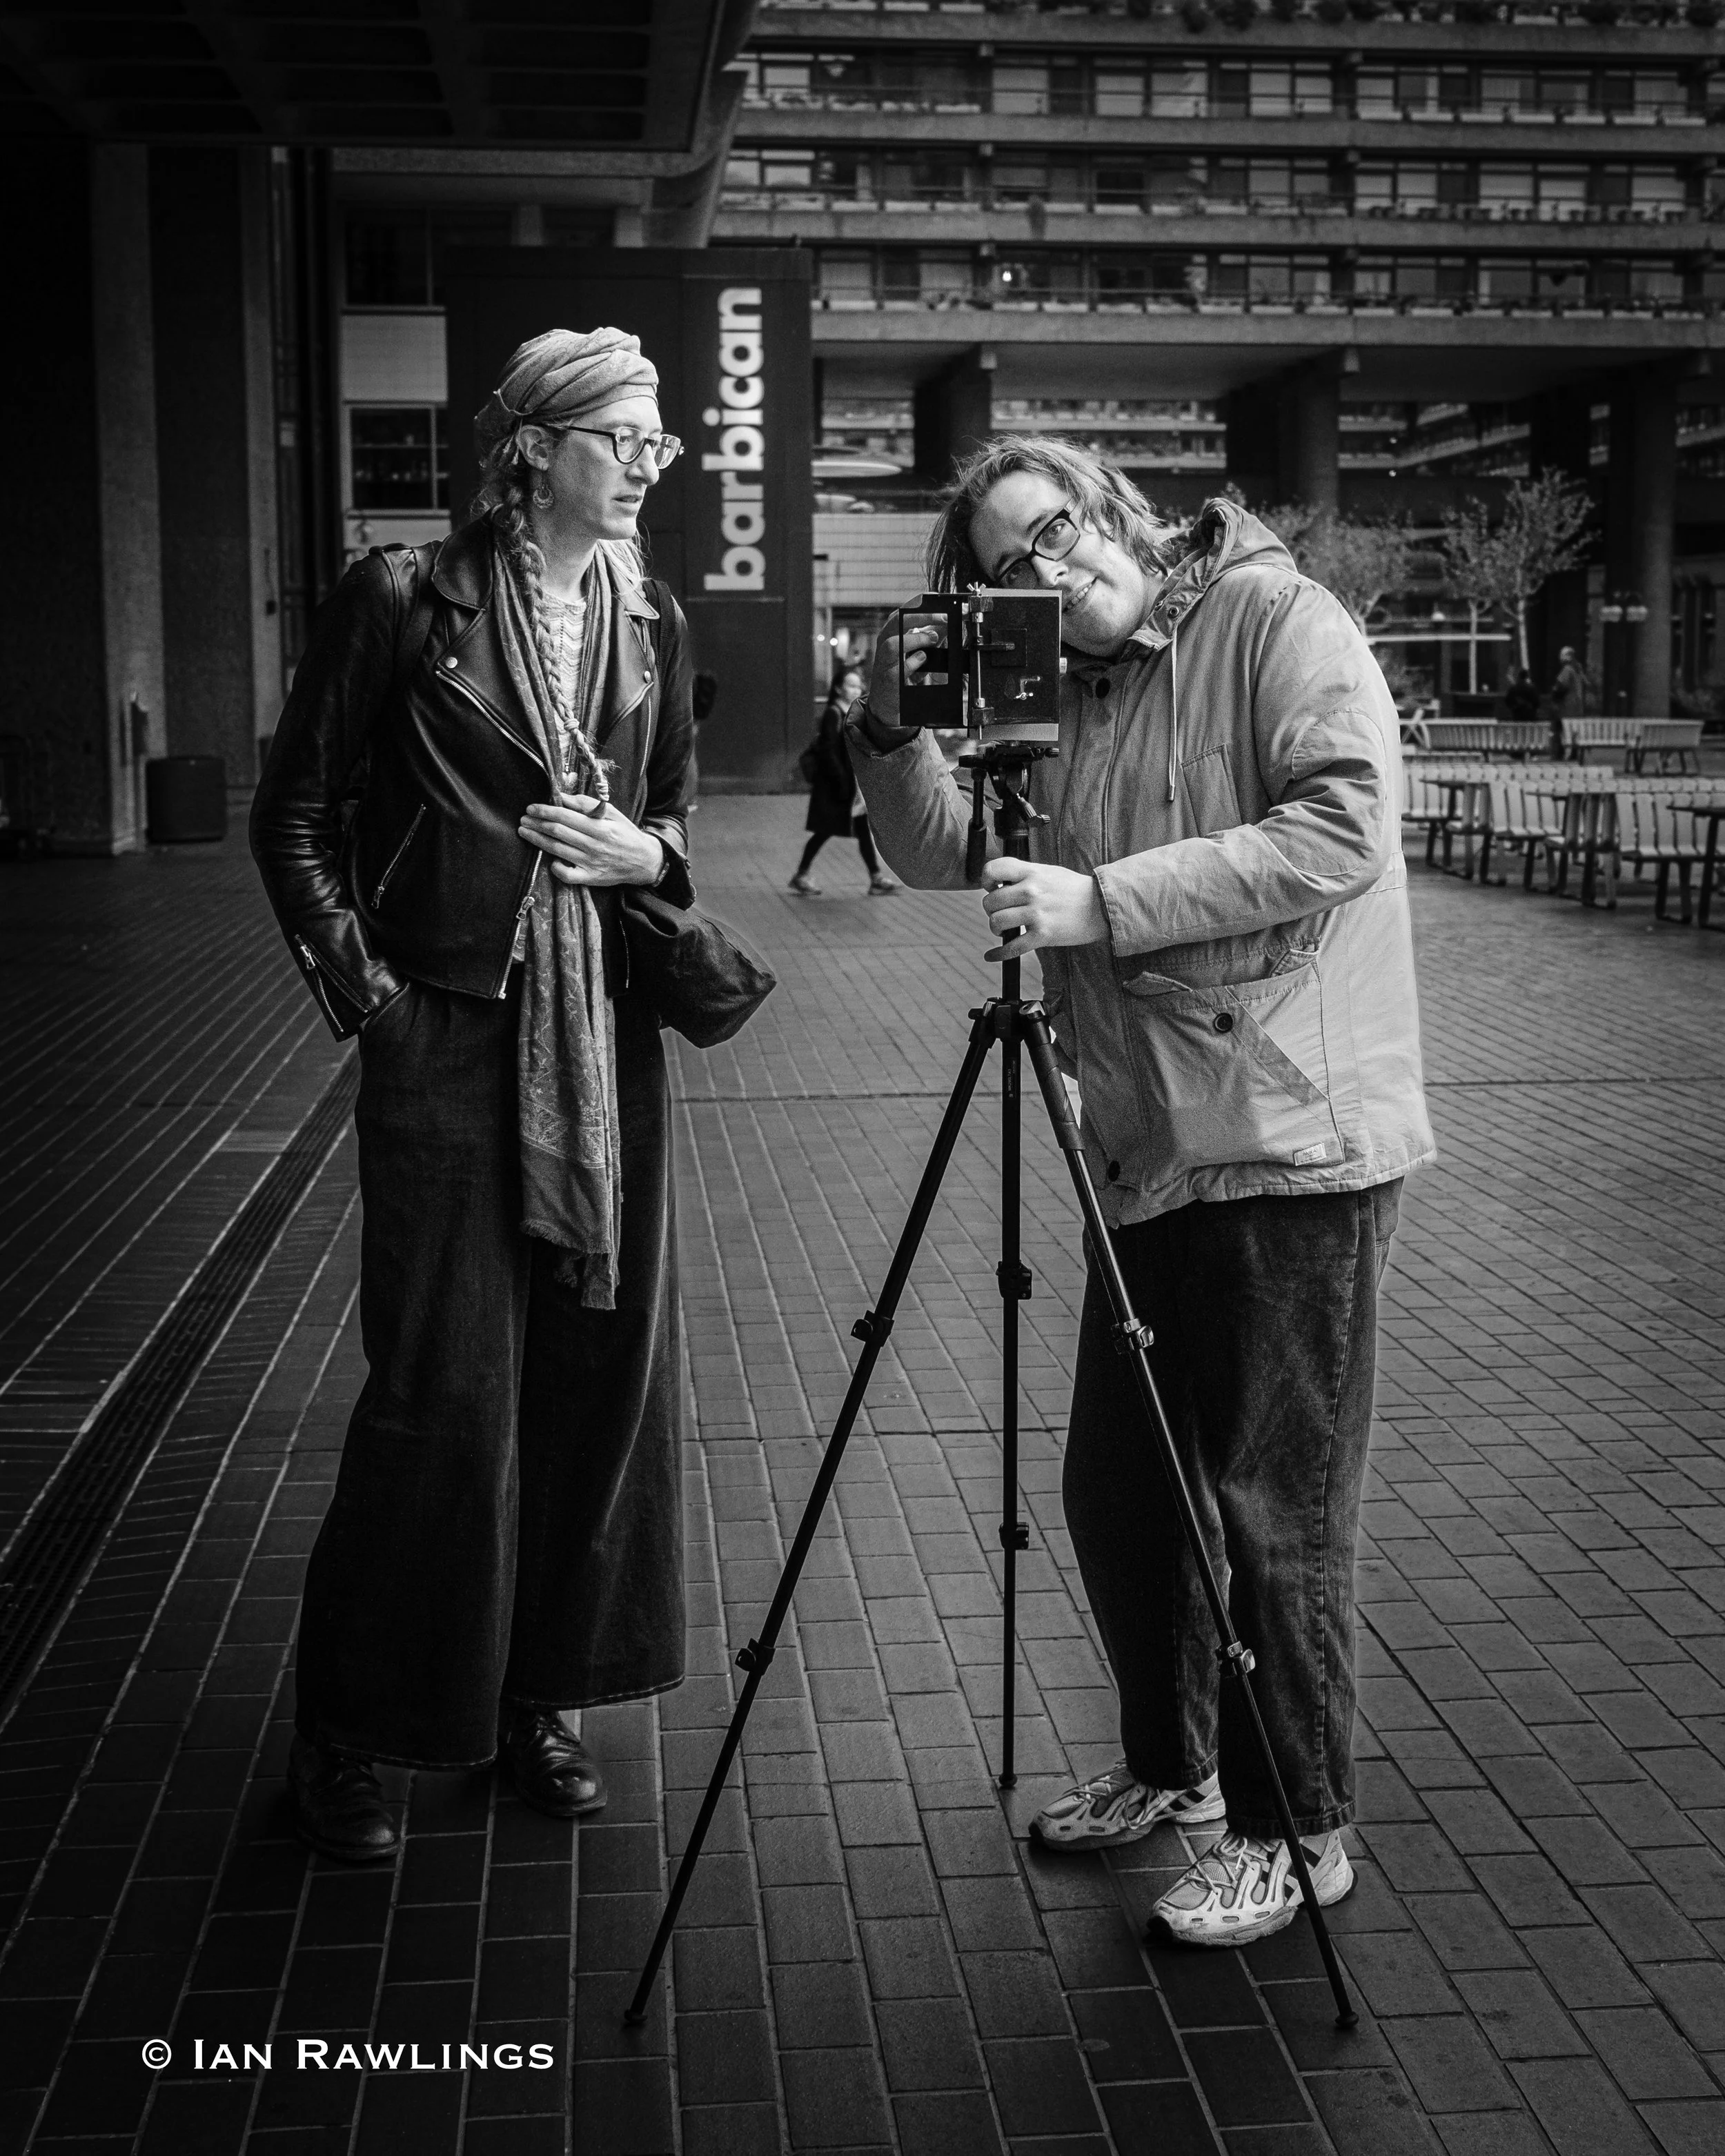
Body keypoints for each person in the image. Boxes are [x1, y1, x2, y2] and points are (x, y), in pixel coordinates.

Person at [851, 439, 1433, 1948]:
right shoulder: (1057, 693)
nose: (1046, 571)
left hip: (1290, 1135)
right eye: (1007, 569)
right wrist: (885, 722)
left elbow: (1345, 822)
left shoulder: (1273, 616)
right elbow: (951, 851)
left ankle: (1296, 1830)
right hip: (1145, 1146)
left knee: (1271, 1510)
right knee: (1122, 1496)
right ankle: (1176, 1769)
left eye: (1054, 531)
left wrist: (1100, 901)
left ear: (1113, 509)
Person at [251, 327, 696, 1861]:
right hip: (446, 1026)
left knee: (591, 1379)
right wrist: (373, 1000)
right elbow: (295, 814)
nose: (649, 462)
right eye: (623, 435)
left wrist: (649, 854)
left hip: (605, 1037)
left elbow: (669, 817)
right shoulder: (404, 596)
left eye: (658, 438)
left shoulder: (651, 616)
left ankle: (537, 1700)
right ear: (534, 446)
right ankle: (352, 1726)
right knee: (441, 1394)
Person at [791, 667, 897, 896]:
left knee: (860, 830)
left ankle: (876, 878)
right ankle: (801, 875)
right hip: (837, 786)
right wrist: (841, 782)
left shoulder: (853, 712)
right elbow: (829, 750)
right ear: (839, 689)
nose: (856, 690)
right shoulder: (834, 713)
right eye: (851, 686)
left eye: (859, 686)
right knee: (825, 831)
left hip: (850, 785)